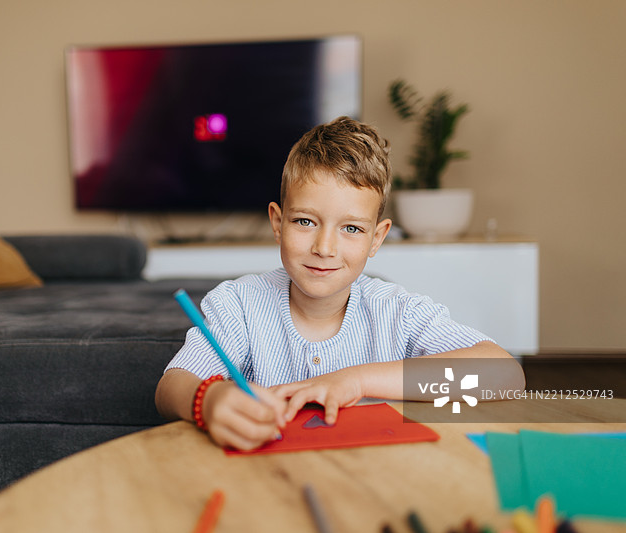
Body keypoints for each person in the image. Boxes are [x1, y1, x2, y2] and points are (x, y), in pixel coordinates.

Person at [155, 116, 524, 451]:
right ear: (277, 223)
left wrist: (357, 381)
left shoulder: (396, 310)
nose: (325, 248)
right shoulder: (239, 304)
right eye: (305, 222)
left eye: (351, 229)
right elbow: (170, 388)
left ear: (376, 239)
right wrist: (209, 399)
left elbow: (505, 374)